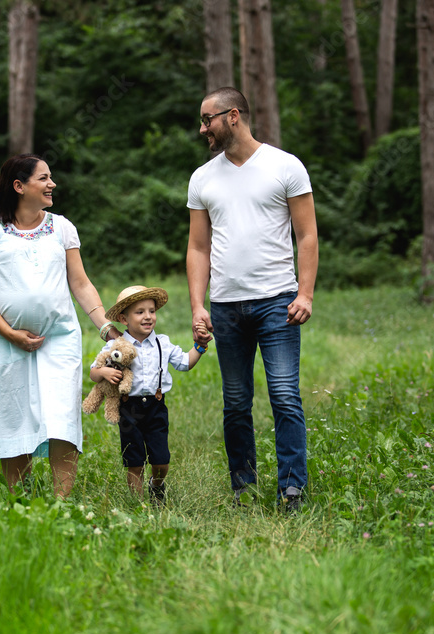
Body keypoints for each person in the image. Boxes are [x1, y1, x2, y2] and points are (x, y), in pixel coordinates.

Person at [185, 87, 319, 513]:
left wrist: (306, 293)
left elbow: (307, 235)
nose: (202, 128)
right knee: (236, 402)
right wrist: (197, 305)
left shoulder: (284, 166)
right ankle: (242, 487)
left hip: (277, 303)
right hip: (225, 307)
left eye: (208, 119)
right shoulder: (203, 178)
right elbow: (198, 248)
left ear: (234, 115)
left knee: (284, 395)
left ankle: (292, 489)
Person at [0, 154, 120, 498]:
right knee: (13, 415)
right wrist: (9, 333)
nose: (52, 184)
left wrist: (105, 327)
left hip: (59, 340)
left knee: (61, 415)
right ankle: (17, 498)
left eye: (51, 178)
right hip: (6, 343)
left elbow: (80, 283)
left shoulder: (61, 228)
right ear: (19, 186)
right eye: (44, 178)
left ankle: (61, 502)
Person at [90, 285, 207, 505]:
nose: (147, 317)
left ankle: (157, 484)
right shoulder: (115, 345)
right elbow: (93, 373)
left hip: (156, 406)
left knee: (161, 460)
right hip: (129, 408)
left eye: (151, 311)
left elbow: (184, 363)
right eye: (140, 312)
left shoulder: (163, 343)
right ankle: (139, 504)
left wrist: (199, 347)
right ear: (124, 319)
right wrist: (104, 371)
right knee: (134, 461)